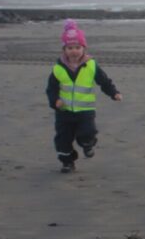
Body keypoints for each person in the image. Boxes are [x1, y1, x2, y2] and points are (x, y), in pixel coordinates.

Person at [45, 19, 122, 173]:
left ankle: (88, 145)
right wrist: (55, 101)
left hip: (85, 111)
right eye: (70, 48)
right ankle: (67, 162)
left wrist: (114, 93)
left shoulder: (91, 65)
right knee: (63, 139)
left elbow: (104, 81)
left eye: (77, 47)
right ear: (64, 50)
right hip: (64, 112)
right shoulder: (58, 68)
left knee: (87, 133)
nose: (74, 51)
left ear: (84, 48)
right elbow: (51, 89)